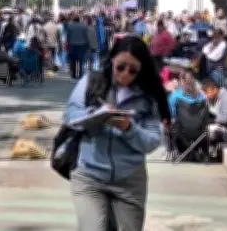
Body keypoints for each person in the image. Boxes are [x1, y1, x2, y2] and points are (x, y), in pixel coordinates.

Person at [64, 36, 168, 231]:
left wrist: (129, 128)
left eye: (133, 70)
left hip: (129, 180)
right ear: (112, 60)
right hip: (90, 173)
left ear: (141, 69)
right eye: (120, 67)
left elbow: (153, 141)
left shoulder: (148, 96)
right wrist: (95, 116)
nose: (125, 74)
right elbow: (70, 115)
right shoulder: (93, 82)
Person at [201, 78, 227, 144]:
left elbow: (225, 120)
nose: (205, 95)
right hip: (215, 125)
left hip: (226, 130)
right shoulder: (211, 98)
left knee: (206, 133)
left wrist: (207, 121)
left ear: (215, 90)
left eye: (207, 92)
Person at [66, 15, 89, 80]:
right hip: (82, 45)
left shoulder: (70, 26)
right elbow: (86, 36)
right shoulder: (84, 26)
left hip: (72, 45)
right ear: (79, 19)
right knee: (81, 60)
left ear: (73, 20)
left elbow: (68, 36)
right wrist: (87, 44)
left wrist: (68, 42)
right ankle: (80, 75)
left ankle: (73, 75)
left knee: (73, 61)